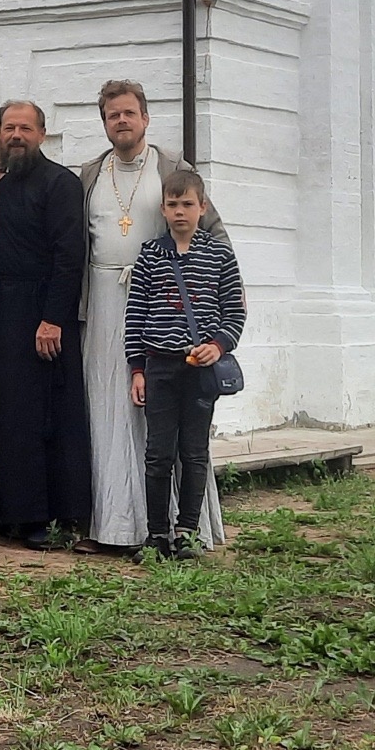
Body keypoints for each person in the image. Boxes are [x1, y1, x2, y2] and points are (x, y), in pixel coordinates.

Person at [79, 79, 226, 550]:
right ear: (104, 123)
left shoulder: (171, 169)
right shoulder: (88, 175)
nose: (121, 121)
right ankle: (115, 525)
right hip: (103, 300)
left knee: (165, 416)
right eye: (111, 115)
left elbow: (213, 233)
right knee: (110, 406)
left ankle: (175, 526)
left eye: (128, 113)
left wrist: (220, 294)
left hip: (164, 303)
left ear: (145, 117)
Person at [0, 99, 91, 547]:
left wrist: (52, 318)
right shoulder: (0, 188)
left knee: (48, 416)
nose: (16, 136)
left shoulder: (61, 184)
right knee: (9, 415)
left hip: (44, 313)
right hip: (3, 313)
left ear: (42, 134)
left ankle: (52, 515)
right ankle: (16, 510)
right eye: (9, 128)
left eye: (25, 128)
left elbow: (70, 257)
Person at [125, 165, 246, 558]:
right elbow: (136, 314)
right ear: (162, 209)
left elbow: (235, 311)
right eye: (173, 204)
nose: (180, 212)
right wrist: (137, 369)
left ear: (202, 207)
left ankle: (188, 531)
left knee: (194, 452)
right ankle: (157, 534)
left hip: (201, 371)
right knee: (158, 453)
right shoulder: (150, 255)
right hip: (159, 367)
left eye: (188, 204)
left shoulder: (220, 255)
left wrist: (220, 345)